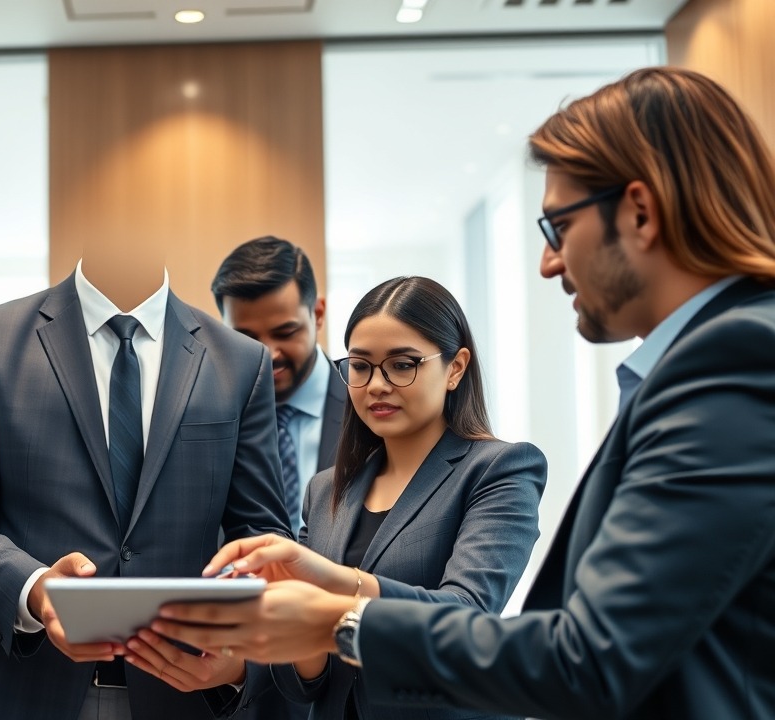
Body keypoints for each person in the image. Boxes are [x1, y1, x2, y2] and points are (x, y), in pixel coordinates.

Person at [150, 67, 775, 720]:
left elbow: (588, 654)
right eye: (360, 366)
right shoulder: (724, 354)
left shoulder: (732, 359)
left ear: (640, 213)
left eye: (557, 227)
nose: (549, 263)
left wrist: (340, 618)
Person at [128, 276, 546, 720]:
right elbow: (308, 684)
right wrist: (260, 633)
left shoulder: (500, 469)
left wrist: (332, 582)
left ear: (456, 368)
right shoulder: (327, 490)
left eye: (402, 365)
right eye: (361, 366)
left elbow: (466, 617)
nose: (377, 385)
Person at [0, 237, 291, 719]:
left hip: (182, 690)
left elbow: (262, 536)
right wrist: (35, 588)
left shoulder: (241, 362)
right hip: (16, 685)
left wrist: (242, 657)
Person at [211, 236, 346, 534]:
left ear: (318, 314)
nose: (268, 354)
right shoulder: (208, 412)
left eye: (285, 332)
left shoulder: (368, 403)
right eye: (246, 338)